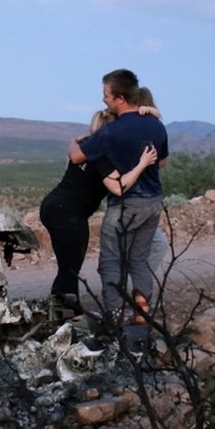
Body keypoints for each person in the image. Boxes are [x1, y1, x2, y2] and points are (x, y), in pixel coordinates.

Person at [39, 95, 162, 316]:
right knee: (70, 268)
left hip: (54, 206)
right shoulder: (102, 156)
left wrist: (150, 112)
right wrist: (143, 164)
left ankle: (64, 314)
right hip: (67, 213)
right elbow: (118, 188)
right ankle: (63, 317)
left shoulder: (84, 147)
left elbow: (73, 148)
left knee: (68, 266)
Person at [69, 69, 168, 324]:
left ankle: (114, 320)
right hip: (153, 202)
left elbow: (77, 157)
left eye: (106, 95)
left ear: (120, 98)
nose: (104, 100)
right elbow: (162, 162)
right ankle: (142, 317)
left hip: (125, 206)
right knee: (139, 260)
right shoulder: (156, 125)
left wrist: (81, 141)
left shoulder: (111, 131)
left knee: (111, 263)